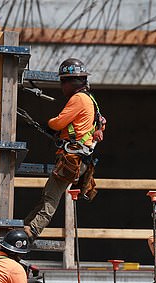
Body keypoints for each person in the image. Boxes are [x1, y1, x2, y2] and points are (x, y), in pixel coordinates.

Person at [23, 57, 106, 242]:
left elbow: (59, 121)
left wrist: (50, 124)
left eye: (63, 82)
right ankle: (27, 224)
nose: (61, 86)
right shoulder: (91, 100)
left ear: (71, 82)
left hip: (73, 158)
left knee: (51, 196)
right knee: (48, 193)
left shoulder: (78, 98)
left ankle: (32, 230)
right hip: (80, 159)